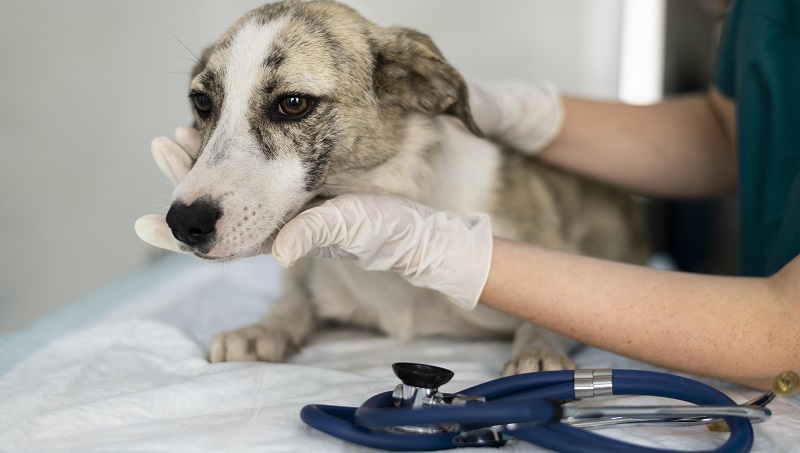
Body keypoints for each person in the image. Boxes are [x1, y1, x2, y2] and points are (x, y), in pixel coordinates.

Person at [137, 0, 799, 391]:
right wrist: (533, 112)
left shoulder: (496, 193)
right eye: (206, 101)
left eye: (290, 104)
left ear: (409, 88)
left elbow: (785, 332)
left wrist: (448, 252)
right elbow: (732, 133)